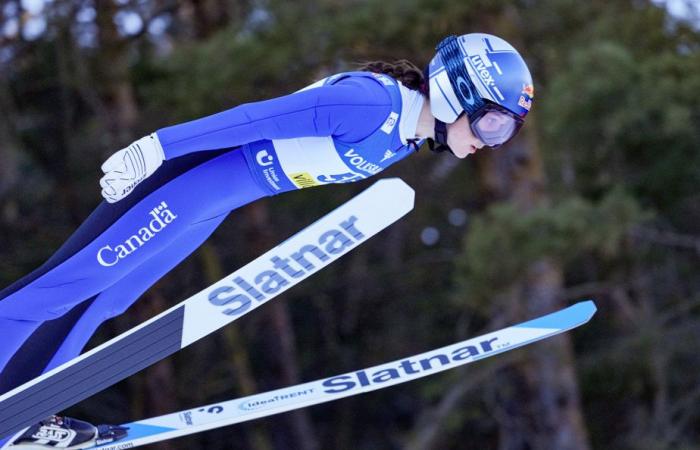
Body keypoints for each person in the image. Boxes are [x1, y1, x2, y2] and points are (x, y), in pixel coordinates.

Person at [0, 33, 534, 448]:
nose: (490, 142)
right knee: (64, 288)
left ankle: (21, 406)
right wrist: (157, 148)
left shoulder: (404, 140)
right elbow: (256, 119)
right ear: (453, 91)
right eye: (490, 124)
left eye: (504, 133)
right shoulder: (371, 105)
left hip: (210, 206)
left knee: (106, 298)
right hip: (181, 182)